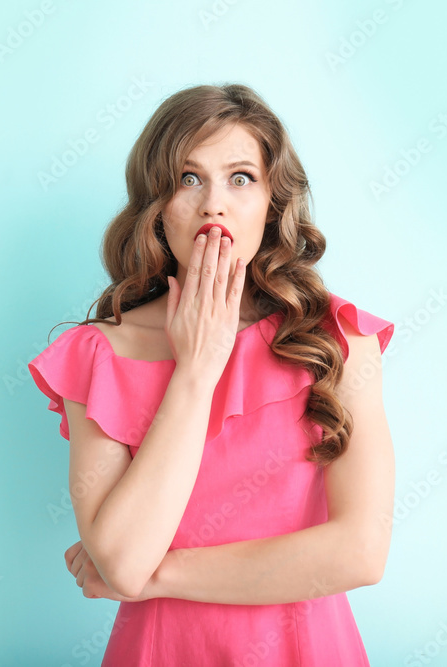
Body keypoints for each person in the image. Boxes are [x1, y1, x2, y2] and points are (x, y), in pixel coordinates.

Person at [28, 83, 396, 666]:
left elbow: (361, 552)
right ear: (156, 206)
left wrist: (157, 575)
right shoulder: (97, 355)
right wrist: (197, 368)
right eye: (188, 178)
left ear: (273, 203)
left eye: (241, 178)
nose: (213, 205)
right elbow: (121, 562)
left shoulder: (338, 338)